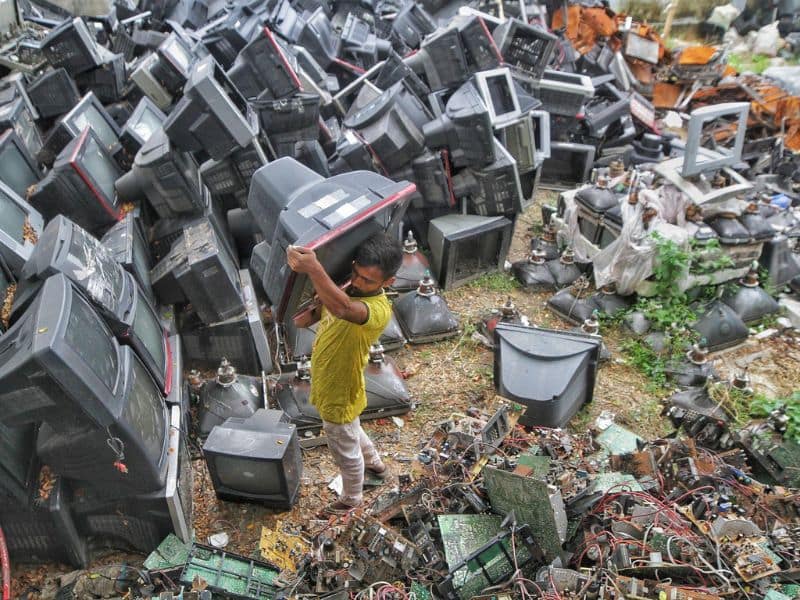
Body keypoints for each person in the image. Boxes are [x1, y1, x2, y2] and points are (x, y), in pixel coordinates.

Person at [286, 232, 403, 514]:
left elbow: (342, 308)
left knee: (343, 447)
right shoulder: (348, 288)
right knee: (352, 430)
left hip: (339, 387)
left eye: (368, 280)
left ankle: (352, 498)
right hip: (333, 381)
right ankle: (376, 464)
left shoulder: (376, 309)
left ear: (389, 282)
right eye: (357, 274)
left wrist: (314, 268)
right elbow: (306, 319)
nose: (359, 282)